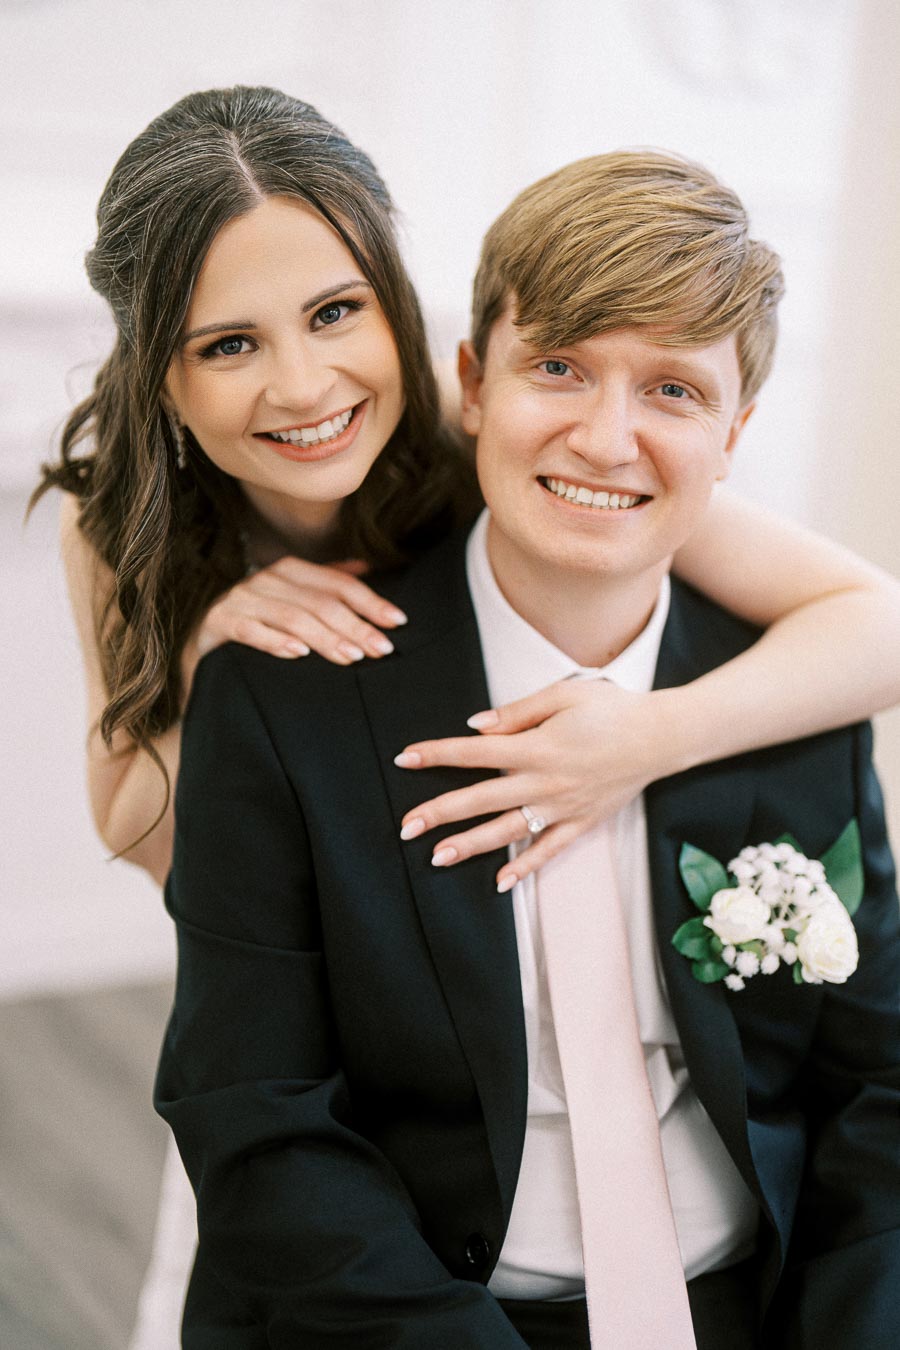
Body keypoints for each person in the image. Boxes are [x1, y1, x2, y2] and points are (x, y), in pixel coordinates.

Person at [155, 146, 900, 1348]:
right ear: (470, 383)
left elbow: (880, 1095)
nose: (608, 440)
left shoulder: (789, 700)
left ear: (735, 430)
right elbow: (259, 1118)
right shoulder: (283, 703)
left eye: (673, 391)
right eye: (558, 366)